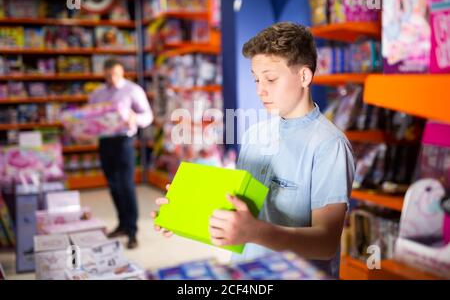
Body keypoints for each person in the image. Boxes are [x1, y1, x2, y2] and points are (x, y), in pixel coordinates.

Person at [151, 22, 355, 278]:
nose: (260, 90)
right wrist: (183, 212)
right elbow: (240, 209)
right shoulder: (254, 135)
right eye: (256, 79)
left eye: (270, 78)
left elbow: (325, 243)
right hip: (247, 273)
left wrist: (256, 232)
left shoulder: (330, 145)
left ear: (304, 76)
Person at [90, 58, 153, 249]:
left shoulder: (133, 90)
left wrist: (135, 118)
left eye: (115, 74)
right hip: (104, 141)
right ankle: (122, 224)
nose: (112, 78)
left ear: (122, 72)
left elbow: (148, 116)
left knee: (126, 185)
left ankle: (132, 231)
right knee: (113, 184)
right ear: (103, 74)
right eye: (108, 75)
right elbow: (91, 117)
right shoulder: (97, 94)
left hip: (124, 141)